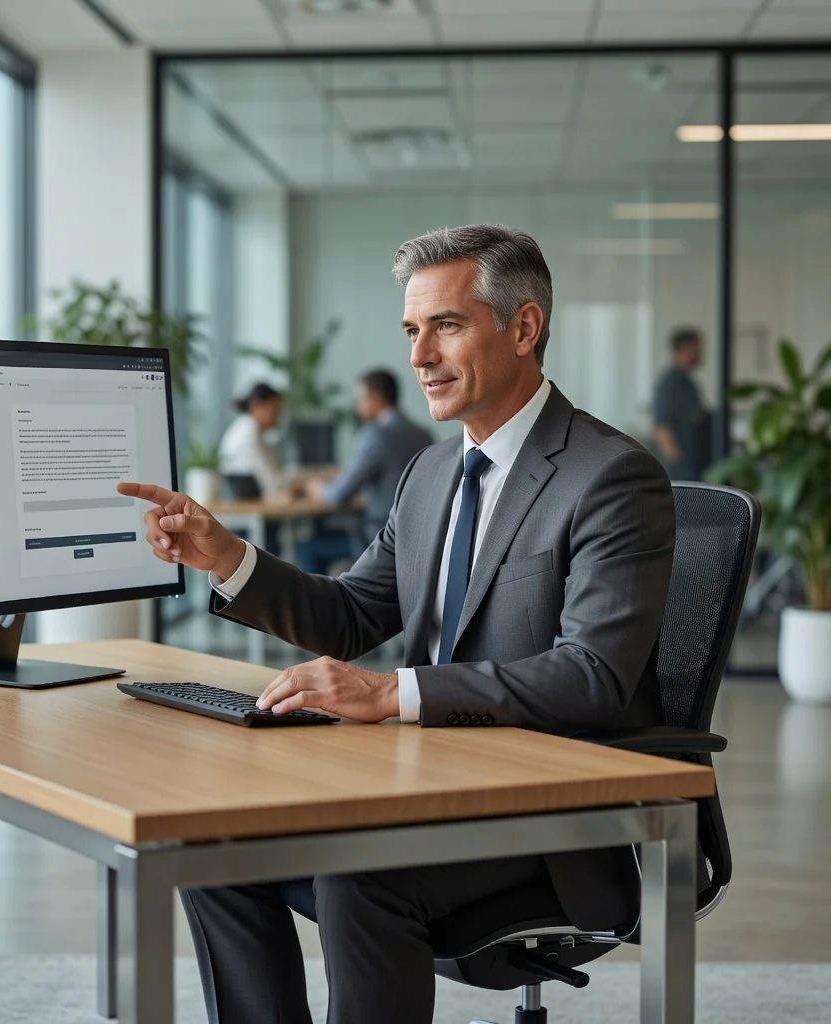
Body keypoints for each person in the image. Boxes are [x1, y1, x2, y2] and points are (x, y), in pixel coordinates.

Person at [118, 224, 675, 1024]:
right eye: (413, 331)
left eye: (446, 326)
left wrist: (391, 692)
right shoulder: (431, 472)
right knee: (212, 846)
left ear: (525, 328)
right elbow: (349, 615)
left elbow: (591, 676)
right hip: (421, 786)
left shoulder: (610, 478)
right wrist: (227, 555)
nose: (419, 357)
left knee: (360, 872)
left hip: (547, 817)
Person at [297, 368, 434, 574]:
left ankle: (317, 606)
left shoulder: (377, 434)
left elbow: (338, 495)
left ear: (375, 399)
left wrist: (316, 488)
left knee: (307, 547)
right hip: (419, 536)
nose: (358, 406)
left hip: (379, 536)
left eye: (360, 399)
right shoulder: (423, 434)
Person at [652, 326, 711, 480]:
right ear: (683, 349)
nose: (701, 354)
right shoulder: (670, 383)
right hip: (682, 469)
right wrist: (678, 466)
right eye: (697, 348)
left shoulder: (688, 382)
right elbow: (662, 429)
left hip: (695, 465)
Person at [218, 382, 286, 499]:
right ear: (256, 406)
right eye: (275, 409)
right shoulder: (249, 434)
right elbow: (272, 483)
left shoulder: (248, 428)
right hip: (249, 510)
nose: (278, 416)